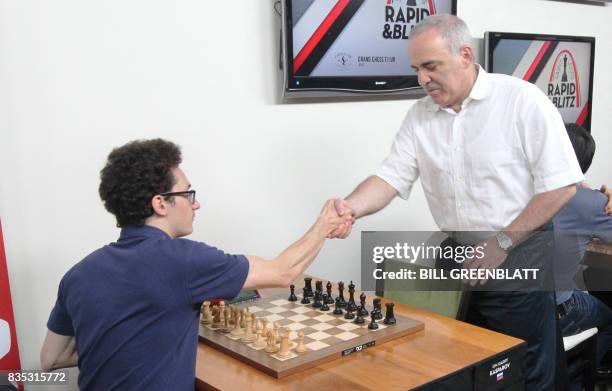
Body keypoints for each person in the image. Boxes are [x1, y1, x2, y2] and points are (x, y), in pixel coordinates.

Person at [329, 15, 584, 390]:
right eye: (416, 69)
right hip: (459, 253)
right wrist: (349, 206)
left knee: (521, 366)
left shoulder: (522, 100)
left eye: (431, 66)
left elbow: (562, 188)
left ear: (465, 55)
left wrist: (501, 243)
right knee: (464, 360)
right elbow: (390, 176)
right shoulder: (420, 115)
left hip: (518, 250)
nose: (421, 79)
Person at [40, 139, 349, 390]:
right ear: (160, 203)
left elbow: (51, 359)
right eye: (189, 194)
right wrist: (324, 224)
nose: (196, 203)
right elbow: (283, 273)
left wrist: (129, 345)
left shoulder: (77, 274)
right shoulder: (183, 260)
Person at [553, 123, 612, 376]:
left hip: (511, 304)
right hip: (556, 311)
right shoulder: (593, 204)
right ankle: (576, 380)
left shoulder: (519, 190)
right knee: (609, 317)